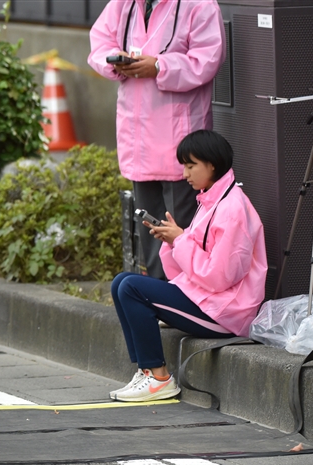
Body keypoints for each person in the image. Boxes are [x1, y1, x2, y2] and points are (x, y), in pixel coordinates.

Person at [109, 130, 267, 402]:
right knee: (120, 281)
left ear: (212, 164)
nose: (184, 174)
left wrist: (180, 240)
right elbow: (181, 272)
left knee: (132, 287)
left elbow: (219, 277)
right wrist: (172, 240)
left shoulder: (233, 209)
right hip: (207, 300)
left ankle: (158, 378)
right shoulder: (211, 199)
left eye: (191, 165)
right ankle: (146, 369)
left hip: (225, 313)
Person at [87, 0, 225, 280]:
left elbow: (208, 59)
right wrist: (115, 61)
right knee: (150, 228)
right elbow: (100, 43)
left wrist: (160, 67)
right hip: (138, 137)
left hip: (180, 140)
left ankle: (184, 299)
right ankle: (158, 297)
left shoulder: (199, 5)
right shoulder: (124, 4)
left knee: (182, 227)